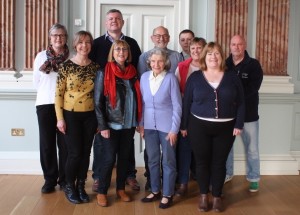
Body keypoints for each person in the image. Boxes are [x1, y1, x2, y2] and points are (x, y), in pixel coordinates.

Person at [181, 42, 245, 212]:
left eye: (216, 53)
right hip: (198, 127)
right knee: (202, 162)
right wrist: (184, 126)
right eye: (209, 54)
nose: (213, 57)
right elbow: (186, 103)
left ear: (221, 56)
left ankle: (216, 196)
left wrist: (239, 123)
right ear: (204, 57)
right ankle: (203, 195)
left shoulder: (232, 77)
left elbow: (241, 102)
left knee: (219, 162)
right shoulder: (194, 78)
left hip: (226, 128)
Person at [89, 9, 142, 192]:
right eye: (110, 19)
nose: (114, 21)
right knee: (103, 147)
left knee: (127, 146)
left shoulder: (132, 43)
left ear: (122, 22)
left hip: (126, 105)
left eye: (117, 18)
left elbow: (136, 70)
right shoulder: (96, 44)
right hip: (105, 102)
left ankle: (129, 175)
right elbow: (92, 70)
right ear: (106, 23)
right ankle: (98, 177)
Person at [94, 40, 142, 207]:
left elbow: (135, 98)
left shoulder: (133, 72)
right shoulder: (104, 72)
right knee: (108, 159)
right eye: (118, 49)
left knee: (123, 159)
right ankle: (102, 191)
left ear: (128, 53)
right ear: (112, 52)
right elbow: (98, 102)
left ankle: (121, 189)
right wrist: (103, 126)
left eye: (124, 49)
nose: (121, 52)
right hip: (111, 124)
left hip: (128, 124)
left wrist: (138, 120)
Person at [55, 31, 100, 204]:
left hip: (90, 116)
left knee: (86, 153)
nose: (84, 45)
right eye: (81, 42)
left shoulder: (96, 67)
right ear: (75, 45)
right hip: (70, 115)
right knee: (74, 153)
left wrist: (99, 120)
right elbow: (58, 94)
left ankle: (81, 185)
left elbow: (99, 95)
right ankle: (69, 186)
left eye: (88, 42)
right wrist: (60, 118)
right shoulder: (66, 66)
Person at [137, 26, 183, 190]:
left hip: (167, 128)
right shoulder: (143, 78)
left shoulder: (171, 78)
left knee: (169, 161)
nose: (157, 64)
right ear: (148, 62)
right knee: (152, 160)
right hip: (148, 127)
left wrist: (174, 129)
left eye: (160, 61)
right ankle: (155, 190)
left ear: (166, 63)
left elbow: (177, 105)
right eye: (153, 61)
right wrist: (141, 124)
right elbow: (141, 102)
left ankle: (167, 193)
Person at [33, 23, 69, 194]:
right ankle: (49, 180)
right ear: (50, 38)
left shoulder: (72, 57)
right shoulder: (41, 57)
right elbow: (36, 82)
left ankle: (64, 180)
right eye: (55, 35)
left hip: (66, 106)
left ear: (66, 38)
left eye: (61, 35)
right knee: (47, 144)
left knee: (65, 144)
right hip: (45, 104)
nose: (58, 38)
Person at [225, 35, 263, 192]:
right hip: (227, 115)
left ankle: (254, 178)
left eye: (239, 44)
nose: (236, 47)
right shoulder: (224, 64)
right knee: (226, 148)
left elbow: (253, 88)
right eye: (233, 44)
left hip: (249, 115)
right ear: (230, 46)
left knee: (252, 148)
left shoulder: (253, 65)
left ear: (244, 45)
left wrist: (234, 97)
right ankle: (227, 173)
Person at [174, 37, 207, 196]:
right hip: (186, 112)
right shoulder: (182, 67)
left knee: (203, 150)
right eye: (193, 48)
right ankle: (183, 183)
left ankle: (204, 183)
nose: (195, 51)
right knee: (184, 149)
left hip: (205, 114)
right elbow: (176, 92)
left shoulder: (211, 67)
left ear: (205, 49)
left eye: (199, 48)